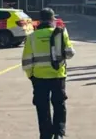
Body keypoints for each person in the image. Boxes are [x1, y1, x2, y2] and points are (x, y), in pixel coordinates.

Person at [22, 8, 76, 139]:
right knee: (59, 105)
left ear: (39, 21)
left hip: (39, 78)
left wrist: (31, 76)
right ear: (53, 19)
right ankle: (59, 133)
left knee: (42, 107)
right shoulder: (61, 33)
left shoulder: (32, 37)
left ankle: (45, 135)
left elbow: (26, 61)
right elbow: (70, 53)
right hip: (58, 76)